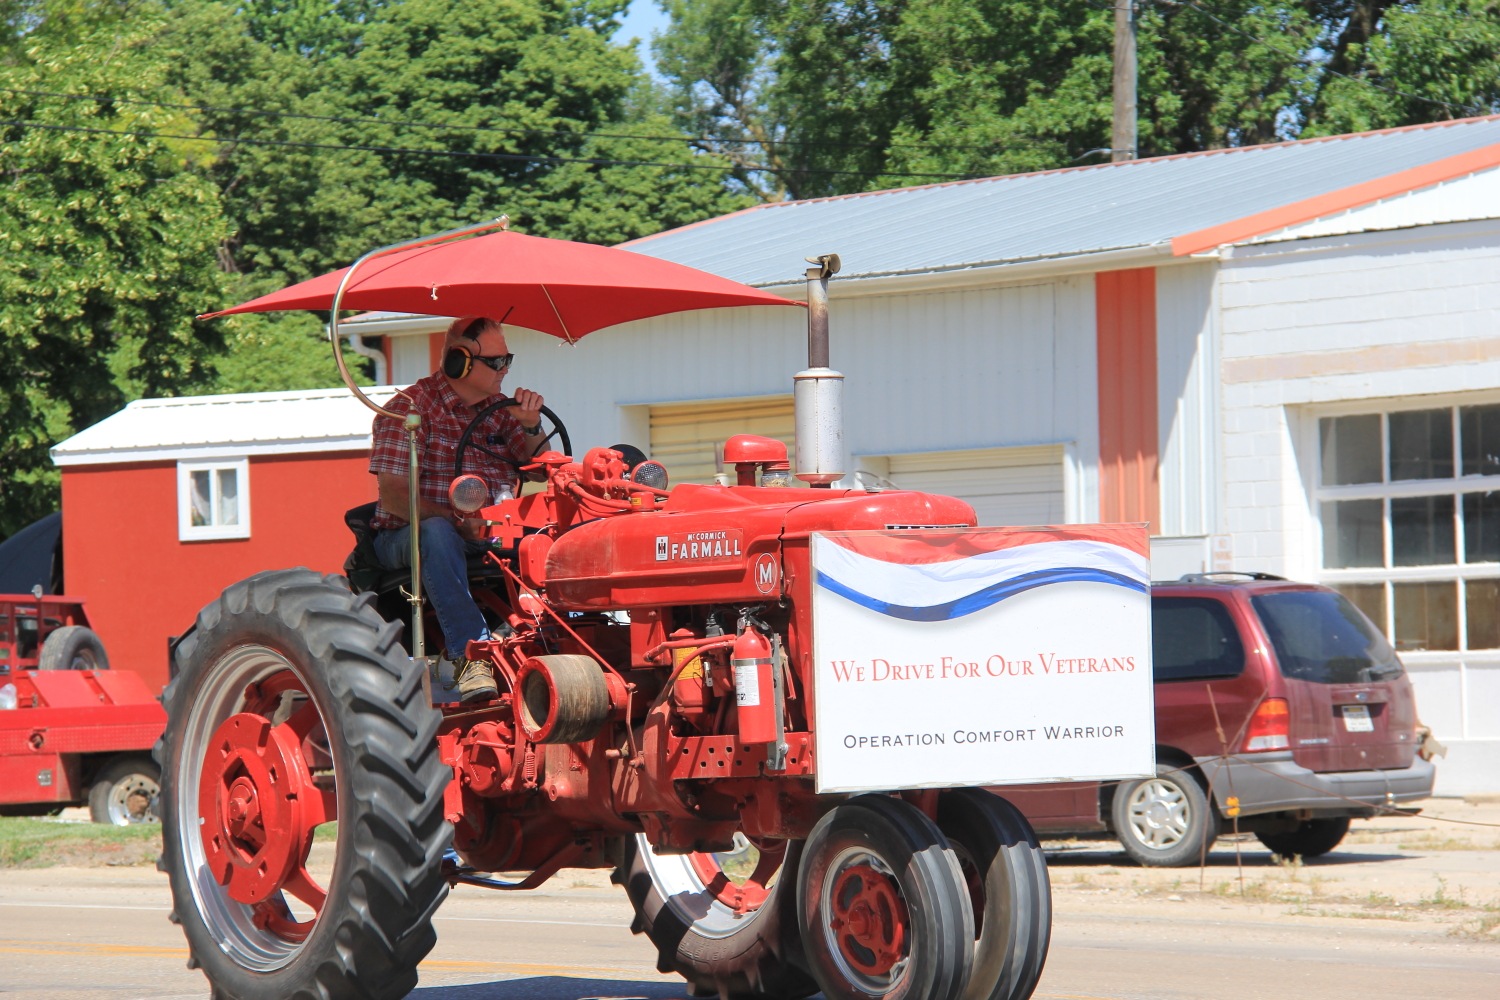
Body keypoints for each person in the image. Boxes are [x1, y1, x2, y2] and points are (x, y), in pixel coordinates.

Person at [367, 315, 548, 702]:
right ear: (458, 361)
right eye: (496, 362)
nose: (505, 369)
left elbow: (540, 469)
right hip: (408, 535)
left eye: (508, 359)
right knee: (437, 532)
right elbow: (396, 498)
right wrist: (456, 519)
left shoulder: (502, 409)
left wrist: (531, 425)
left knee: (553, 532)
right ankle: (471, 656)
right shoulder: (407, 411)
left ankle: (560, 638)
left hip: (491, 533)